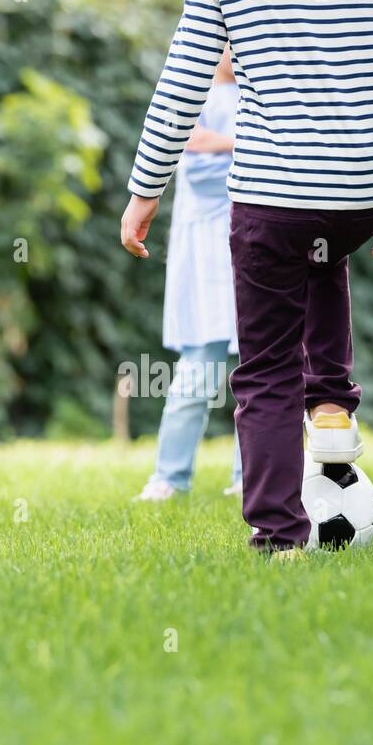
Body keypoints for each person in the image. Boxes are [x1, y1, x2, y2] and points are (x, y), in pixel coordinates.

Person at [120, 0, 373, 557]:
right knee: (323, 255)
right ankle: (333, 401)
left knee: (265, 370)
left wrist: (144, 187)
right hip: (358, 188)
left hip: (271, 191)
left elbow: (183, 78)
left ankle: (279, 536)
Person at [134, 45, 245, 502]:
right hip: (206, 256)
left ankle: (250, 477)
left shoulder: (258, 95)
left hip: (255, 245)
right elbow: (195, 158)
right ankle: (170, 476)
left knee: (264, 369)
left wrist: (223, 143)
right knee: (197, 371)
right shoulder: (194, 95)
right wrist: (239, 144)